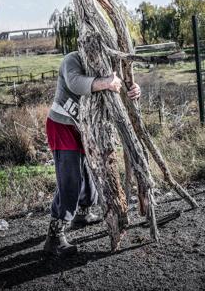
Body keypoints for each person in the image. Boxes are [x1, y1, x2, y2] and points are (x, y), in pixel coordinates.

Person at [44, 51, 141, 256]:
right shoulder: (73, 59)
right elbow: (75, 83)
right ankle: (55, 236)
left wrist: (134, 90)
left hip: (86, 128)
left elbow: (121, 88)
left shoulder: (108, 65)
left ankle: (82, 212)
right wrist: (106, 82)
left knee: (89, 172)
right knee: (70, 178)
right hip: (62, 125)